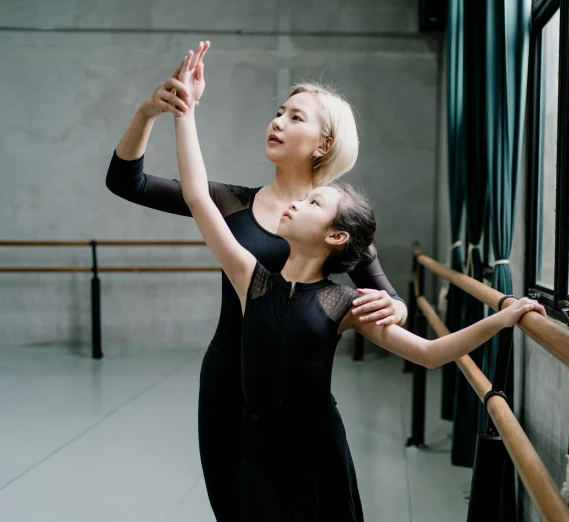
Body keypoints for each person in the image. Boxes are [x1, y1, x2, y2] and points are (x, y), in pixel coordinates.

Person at [172, 46, 545, 521]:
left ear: (335, 235)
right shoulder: (251, 278)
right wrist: (186, 109)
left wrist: (504, 317)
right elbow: (196, 194)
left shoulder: (342, 303)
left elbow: (430, 353)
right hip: (254, 447)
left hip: (316, 453)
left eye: (313, 205)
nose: (297, 203)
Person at [105, 41, 408, 520]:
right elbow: (127, 182)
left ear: (324, 144)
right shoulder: (230, 202)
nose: (278, 122)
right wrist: (148, 113)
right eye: (279, 112)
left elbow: (387, 295)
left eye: (295, 118)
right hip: (227, 379)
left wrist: (399, 309)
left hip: (296, 399)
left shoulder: (332, 222)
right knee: (234, 506)